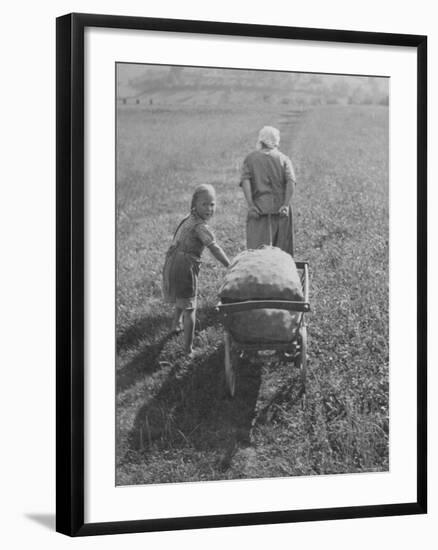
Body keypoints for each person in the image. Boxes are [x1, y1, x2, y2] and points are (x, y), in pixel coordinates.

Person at [163, 184, 230, 355]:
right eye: (204, 204)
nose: (209, 209)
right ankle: (188, 349)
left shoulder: (189, 218)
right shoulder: (200, 227)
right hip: (185, 267)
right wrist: (230, 265)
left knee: (181, 298)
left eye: (212, 204)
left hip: (172, 262)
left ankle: (174, 325)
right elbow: (214, 247)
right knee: (190, 308)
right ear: (195, 205)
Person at [239, 125, 297, 255]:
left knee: (257, 253)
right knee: (282, 254)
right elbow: (291, 181)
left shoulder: (250, 159)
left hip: (258, 211)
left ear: (261, 140)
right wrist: (286, 205)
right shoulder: (283, 159)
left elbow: (245, 181)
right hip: (280, 211)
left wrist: (251, 205)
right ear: (276, 141)